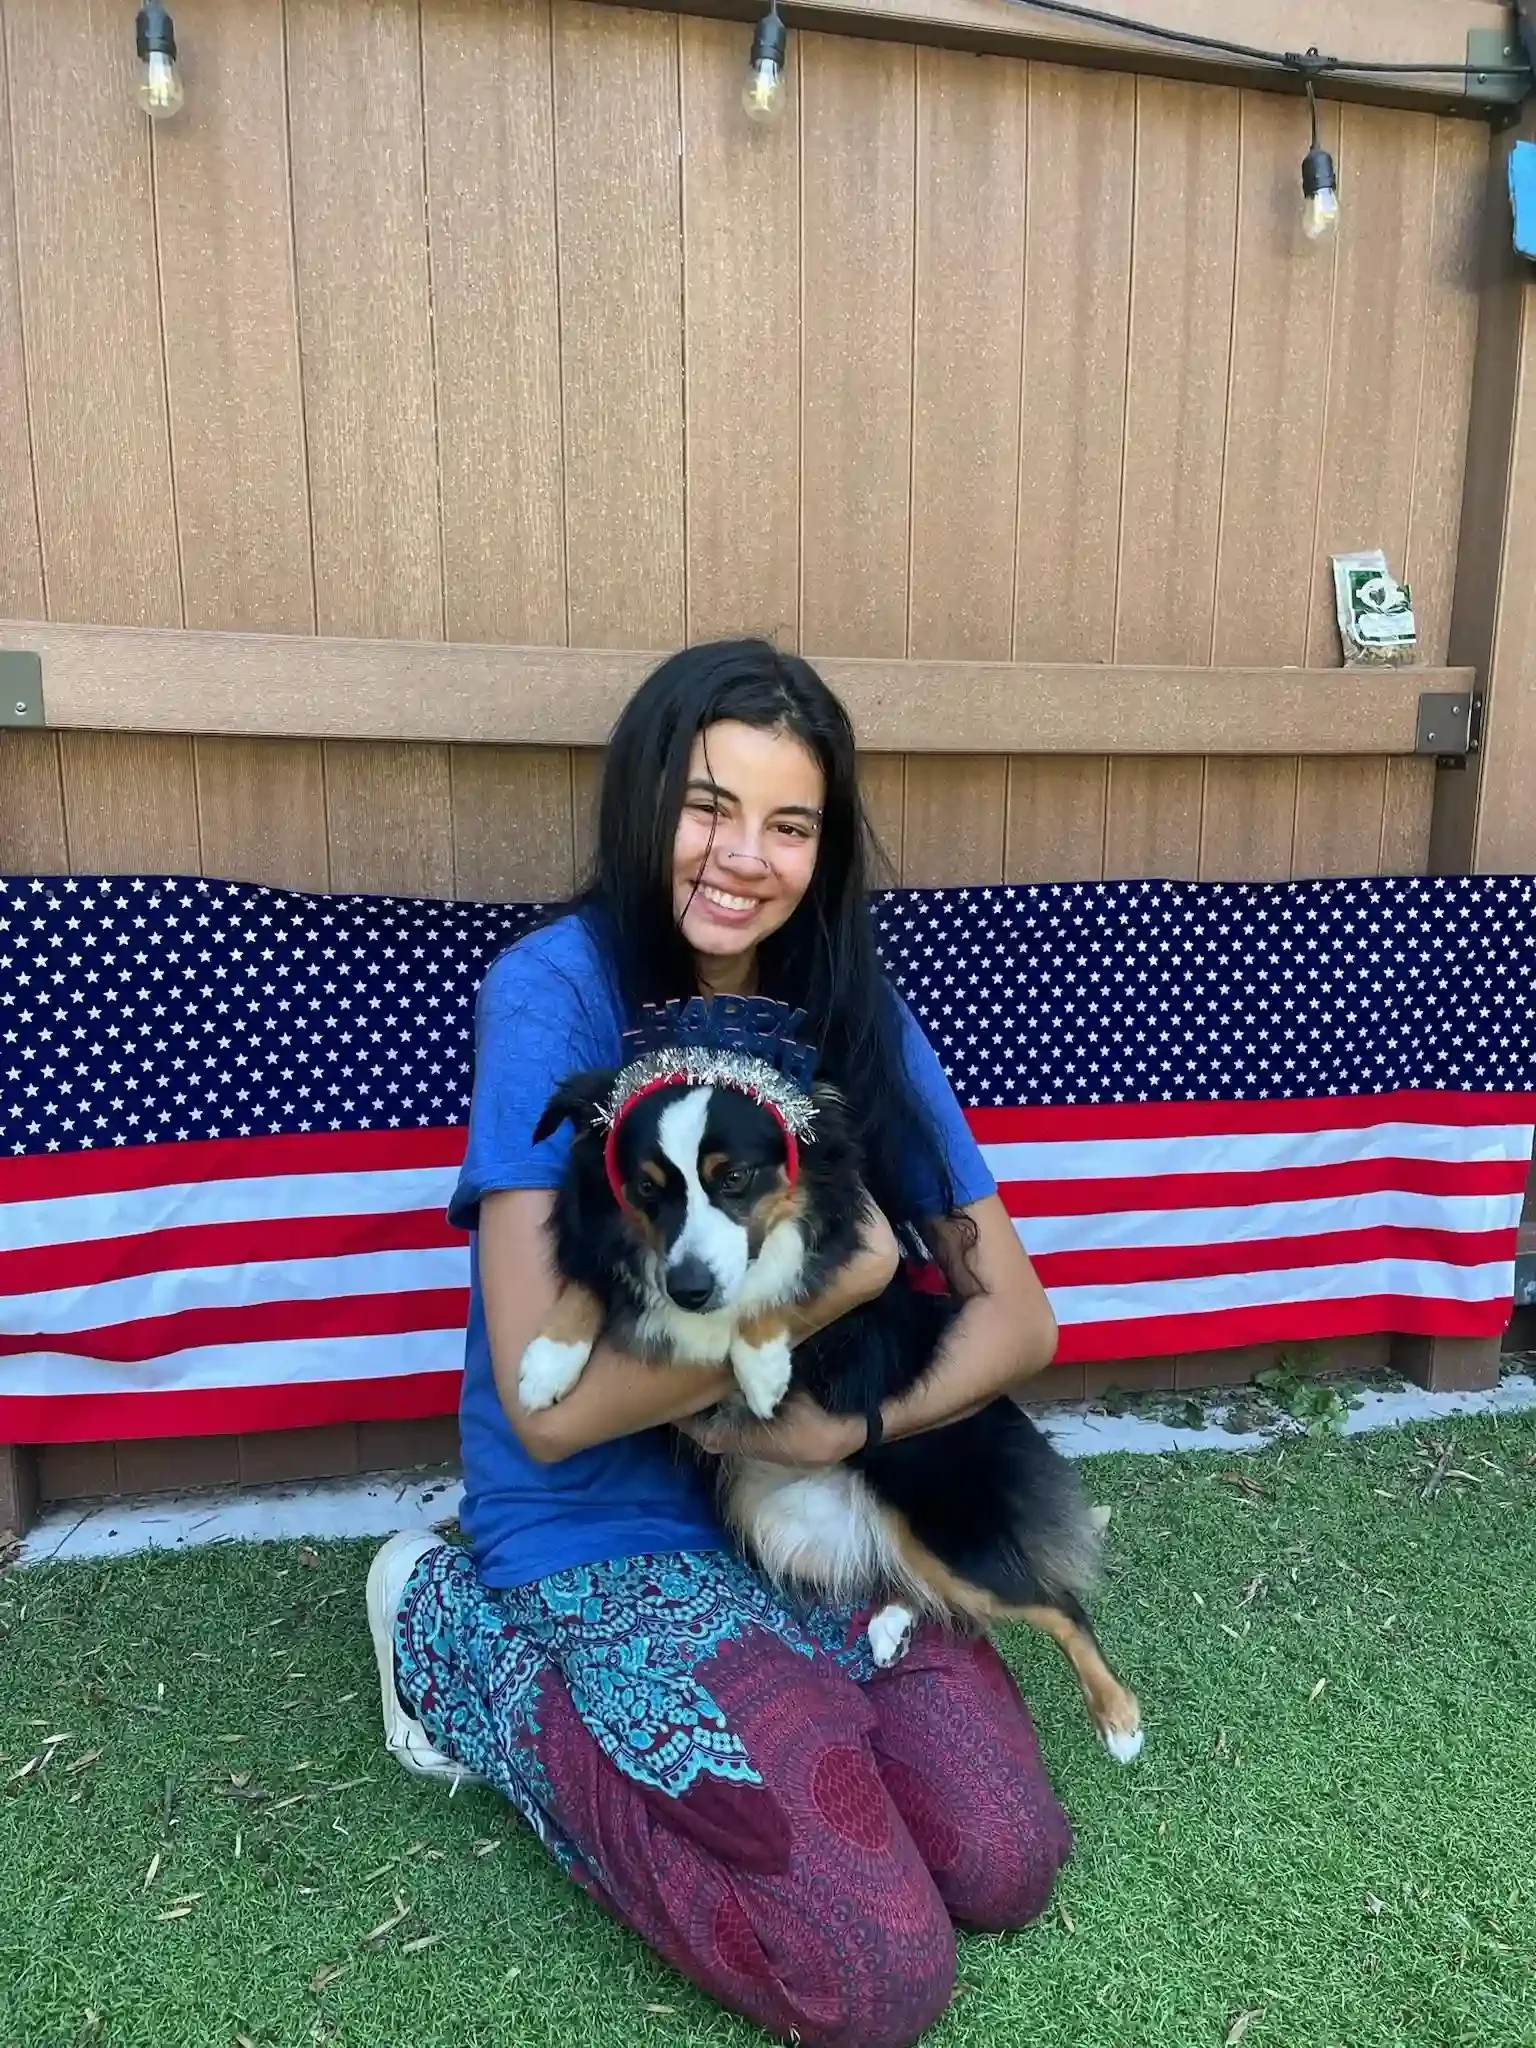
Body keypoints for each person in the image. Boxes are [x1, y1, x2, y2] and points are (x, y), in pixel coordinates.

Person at [366, 640, 1068, 2047]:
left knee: (1004, 1857)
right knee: (875, 1977)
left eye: (789, 822)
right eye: (707, 804)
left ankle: (791, 1684)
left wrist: (842, 1431)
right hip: (593, 1522)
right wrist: (829, 1287)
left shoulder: (853, 1007)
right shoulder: (554, 991)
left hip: (801, 1510)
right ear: (641, 800)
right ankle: (445, 1633)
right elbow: (548, 1408)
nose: (743, 856)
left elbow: (1022, 1316)